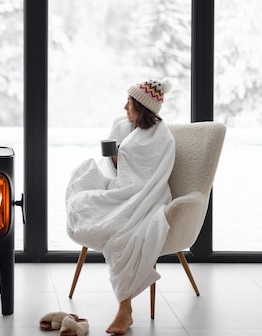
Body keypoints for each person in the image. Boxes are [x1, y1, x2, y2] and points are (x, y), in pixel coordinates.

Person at [65, 79, 176, 335]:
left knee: (120, 237)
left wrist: (122, 161)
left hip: (145, 194)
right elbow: (121, 171)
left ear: (143, 106)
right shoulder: (127, 127)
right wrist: (115, 159)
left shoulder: (162, 136)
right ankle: (125, 307)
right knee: (83, 185)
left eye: (130, 102)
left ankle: (125, 309)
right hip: (122, 188)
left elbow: (150, 174)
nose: (125, 106)